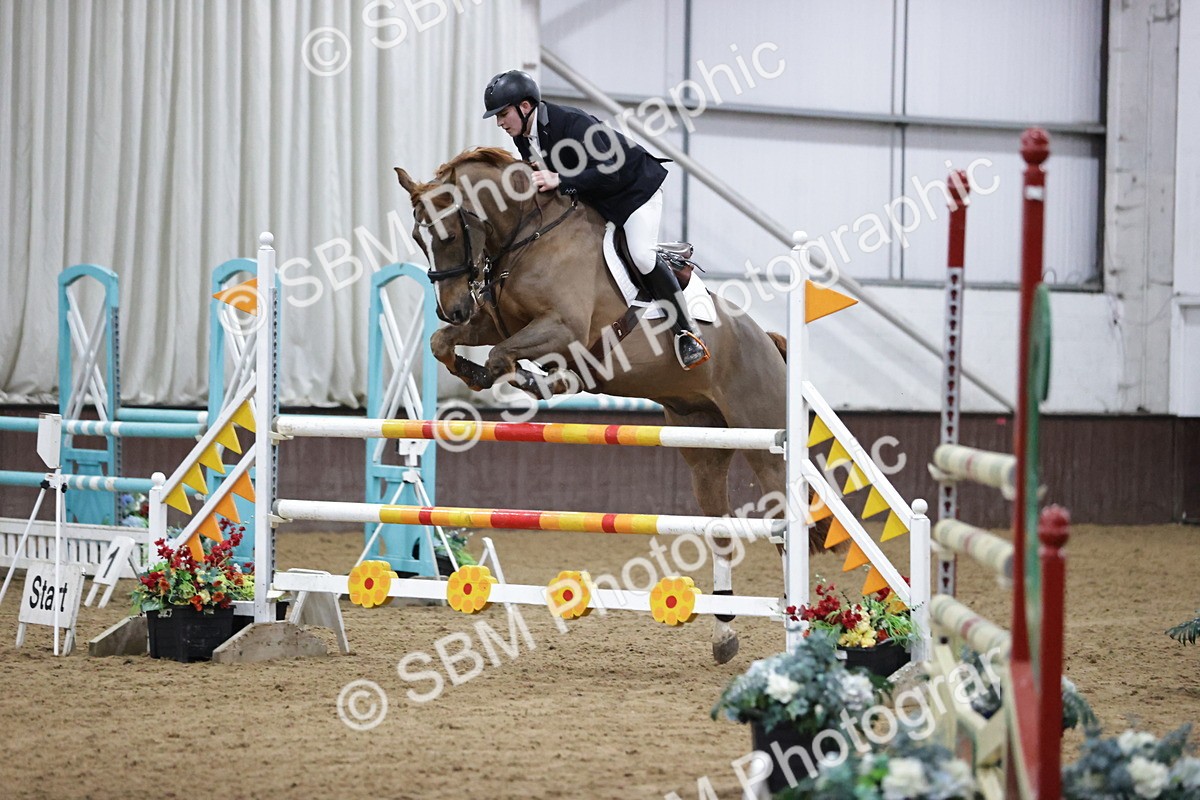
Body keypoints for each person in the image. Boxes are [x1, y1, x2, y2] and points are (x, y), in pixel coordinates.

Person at [482, 69, 709, 370]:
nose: (500, 122)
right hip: (597, 198)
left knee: (641, 256)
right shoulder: (524, 137)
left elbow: (609, 171)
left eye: (503, 113)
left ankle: (686, 330)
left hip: (634, 193)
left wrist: (559, 179)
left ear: (525, 107)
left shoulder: (572, 123)